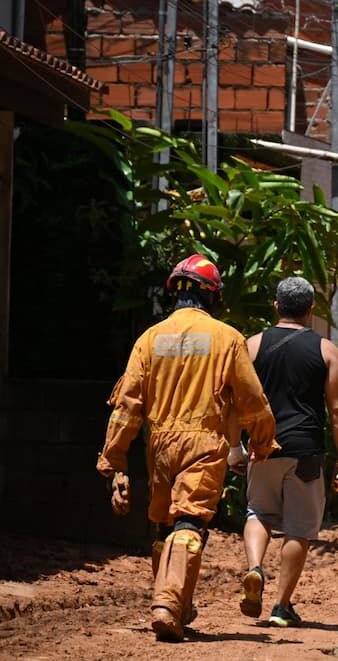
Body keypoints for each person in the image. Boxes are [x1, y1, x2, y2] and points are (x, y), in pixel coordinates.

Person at [96, 254, 278, 642]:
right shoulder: (227, 338)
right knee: (190, 522)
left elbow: (127, 405)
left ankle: (179, 601)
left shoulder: (149, 339)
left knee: (165, 525)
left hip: (158, 444)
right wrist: (262, 442)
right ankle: (166, 603)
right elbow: (252, 399)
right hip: (203, 442)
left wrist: (115, 460)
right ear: (213, 296)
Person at [237, 277, 338, 628]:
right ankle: (281, 606)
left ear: (276, 306)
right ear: (311, 309)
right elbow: (337, 410)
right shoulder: (326, 350)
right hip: (305, 449)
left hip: (262, 445)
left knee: (258, 512)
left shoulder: (251, 346)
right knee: (298, 529)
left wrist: (234, 447)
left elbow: (234, 399)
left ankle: (255, 567)